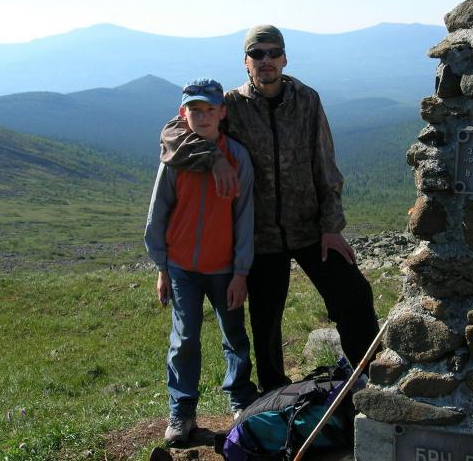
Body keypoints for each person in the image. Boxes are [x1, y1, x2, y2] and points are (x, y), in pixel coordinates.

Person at [159, 25, 379, 394]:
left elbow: (325, 163)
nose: (266, 60)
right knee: (265, 319)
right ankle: (276, 395)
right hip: (259, 235)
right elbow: (173, 133)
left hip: (310, 227)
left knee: (353, 294)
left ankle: (368, 377)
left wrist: (331, 226)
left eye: (273, 52)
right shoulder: (232, 105)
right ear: (246, 62)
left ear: (285, 58)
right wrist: (215, 157)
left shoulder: (307, 99)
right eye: (257, 54)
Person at [145, 78, 258, 445]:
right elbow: (158, 213)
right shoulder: (174, 160)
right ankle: (182, 411)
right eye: (195, 110)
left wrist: (241, 272)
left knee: (234, 336)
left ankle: (240, 401)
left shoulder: (237, 158)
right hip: (182, 268)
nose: (203, 116)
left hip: (224, 268)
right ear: (183, 114)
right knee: (184, 339)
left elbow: (245, 218)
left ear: (223, 112)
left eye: (211, 109)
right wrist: (162, 268)